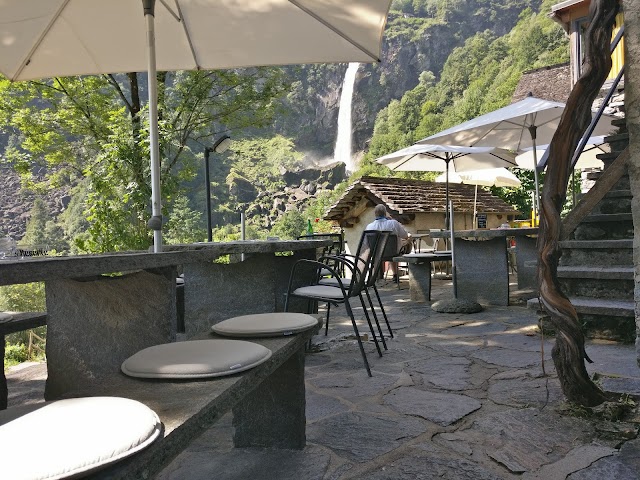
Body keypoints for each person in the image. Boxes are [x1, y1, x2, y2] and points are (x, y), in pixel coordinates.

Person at [365, 204, 411, 282]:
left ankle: (378, 276)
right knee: (403, 243)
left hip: (377, 253)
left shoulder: (369, 227)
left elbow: (367, 243)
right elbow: (405, 236)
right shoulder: (393, 223)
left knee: (384, 248)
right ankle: (396, 275)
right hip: (393, 252)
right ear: (385, 213)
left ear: (375, 214)